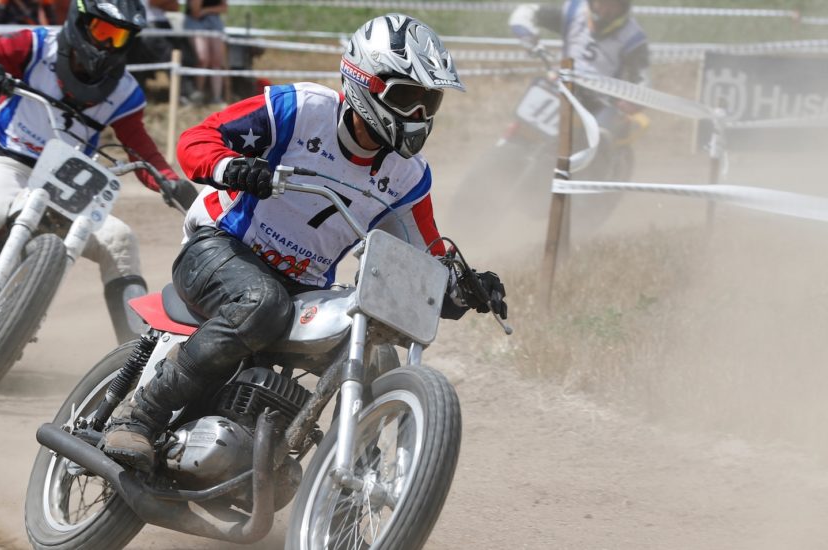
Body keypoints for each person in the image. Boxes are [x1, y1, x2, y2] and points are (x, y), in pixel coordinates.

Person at [100, 14, 509, 470]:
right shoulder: (301, 109)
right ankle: (140, 418)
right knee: (262, 303)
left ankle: (348, 472)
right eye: (408, 97)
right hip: (220, 246)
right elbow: (198, 138)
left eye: (429, 101)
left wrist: (461, 287)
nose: (418, 115)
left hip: (302, 286)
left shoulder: (409, 176)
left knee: (373, 345)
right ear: (365, 83)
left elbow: (427, 253)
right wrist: (230, 167)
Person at [0, 0, 196, 344]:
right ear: (79, 21)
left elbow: (139, 146)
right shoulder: (35, 45)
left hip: (67, 187)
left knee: (120, 241)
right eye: (102, 31)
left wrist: (170, 180)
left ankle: (132, 351)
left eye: (117, 37)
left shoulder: (125, 91)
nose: (106, 45)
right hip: (8, 163)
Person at [510, 0, 649, 138]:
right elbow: (526, 13)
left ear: (623, 7)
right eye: (601, 3)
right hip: (562, 86)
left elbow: (641, 76)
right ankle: (508, 139)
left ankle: (599, 157)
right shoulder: (575, 11)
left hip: (601, 101)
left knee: (602, 138)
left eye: (613, 5)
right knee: (525, 119)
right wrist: (527, 36)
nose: (605, 10)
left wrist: (634, 99)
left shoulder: (633, 36)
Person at [183, 0, 228, 104]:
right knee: (203, 59)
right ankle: (198, 95)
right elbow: (196, 12)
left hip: (214, 21)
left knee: (217, 61)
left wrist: (206, 10)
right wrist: (206, 11)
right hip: (195, 22)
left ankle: (216, 98)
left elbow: (224, 8)